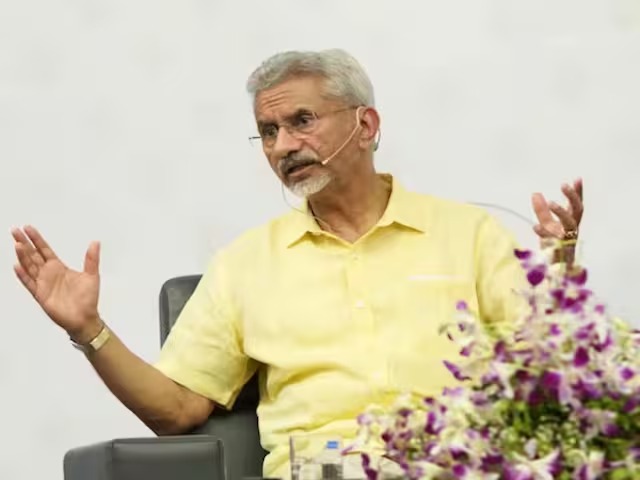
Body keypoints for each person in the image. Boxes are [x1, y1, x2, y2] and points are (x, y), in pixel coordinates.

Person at [11, 49, 584, 479]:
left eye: (301, 121)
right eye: (268, 132)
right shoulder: (245, 265)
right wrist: (90, 330)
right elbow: (177, 410)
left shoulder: (469, 233)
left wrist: (559, 267)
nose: (282, 146)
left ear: (366, 126)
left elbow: (543, 371)